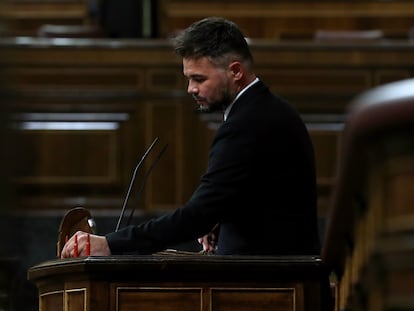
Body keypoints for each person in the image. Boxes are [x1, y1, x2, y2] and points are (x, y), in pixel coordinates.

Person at [61, 17, 321, 258]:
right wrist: (220, 219)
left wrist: (109, 244)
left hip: (274, 286)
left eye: (199, 79)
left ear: (235, 72)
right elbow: (261, 198)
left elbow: (197, 216)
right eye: (188, 79)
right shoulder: (265, 110)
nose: (191, 89)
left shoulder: (248, 124)